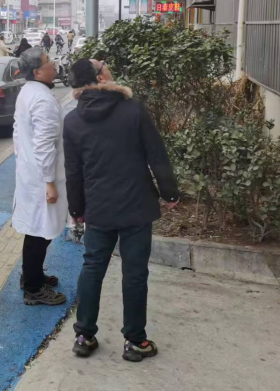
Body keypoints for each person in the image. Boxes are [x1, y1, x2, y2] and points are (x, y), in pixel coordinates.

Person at [63, 58, 180, 361]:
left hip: (98, 207)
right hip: (136, 205)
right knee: (135, 273)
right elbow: (156, 154)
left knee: (92, 268)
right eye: (103, 65)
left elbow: (73, 172)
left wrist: (77, 209)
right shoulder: (132, 109)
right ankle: (135, 341)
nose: (107, 66)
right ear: (100, 77)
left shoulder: (73, 121)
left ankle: (84, 336)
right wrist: (169, 192)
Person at [12, 47, 68, 306]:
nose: (53, 63)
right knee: (39, 231)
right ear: (37, 72)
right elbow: (45, 144)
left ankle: (31, 275)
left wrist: (23, 160)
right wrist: (49, 182)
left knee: (37, 228)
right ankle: (33, 288)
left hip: (31, 171)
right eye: (48, 61)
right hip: (42, 176)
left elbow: (18, 132)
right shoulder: (42, 99)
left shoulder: (29, 92)